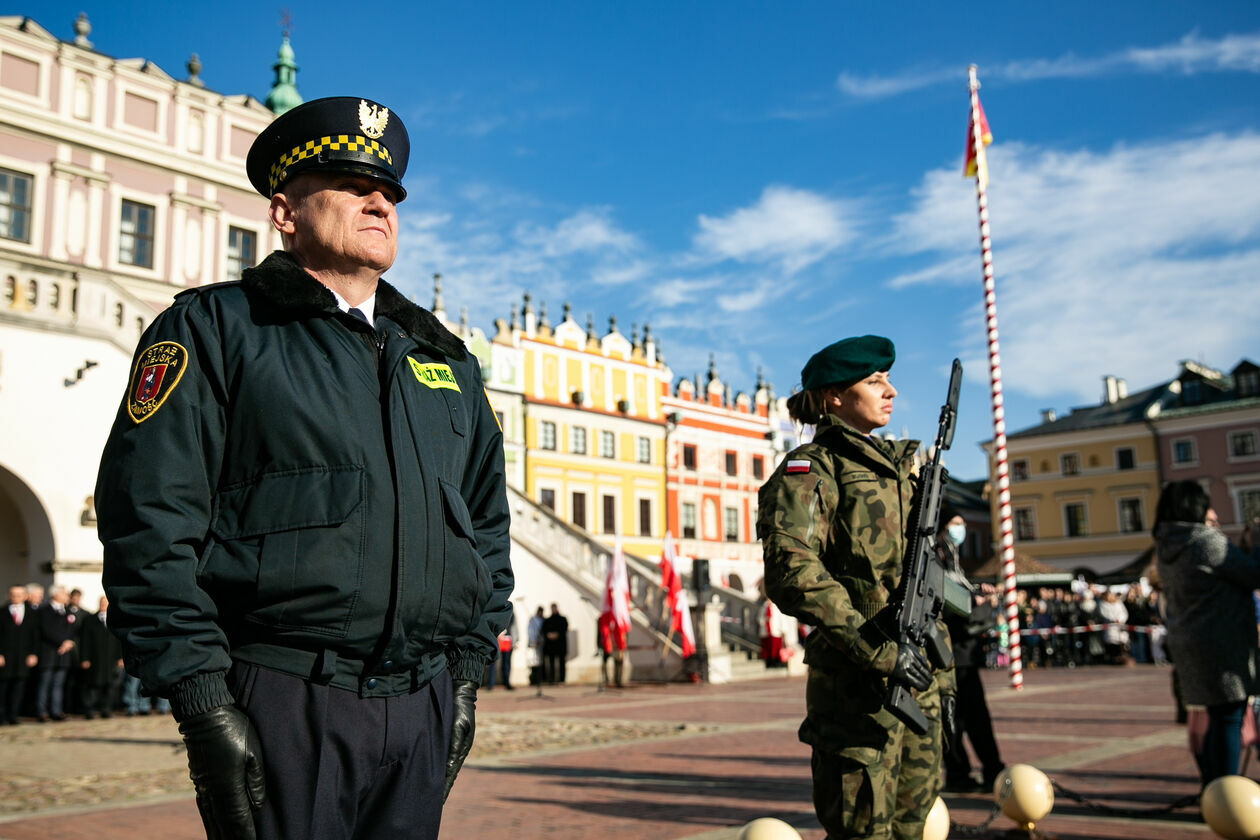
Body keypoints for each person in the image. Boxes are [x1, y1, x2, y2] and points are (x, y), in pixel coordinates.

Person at [95, 96, 513, 840]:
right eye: (352, 186)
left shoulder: (443, 359)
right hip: (285, 698)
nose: (379, 200)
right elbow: (149, 521)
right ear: (285, 213)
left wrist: (468, 680)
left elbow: (485, 529)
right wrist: (202, 702)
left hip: (422, 703)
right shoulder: (216, 329)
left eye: (388, 192)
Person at [757, 334, 956, 840]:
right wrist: (875, 649)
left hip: (920, 677)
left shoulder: (902, 470)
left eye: (888, 379)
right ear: (834, 398)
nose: (889, 390)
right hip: (857, 688)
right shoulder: (812, 469)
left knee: (917, 824)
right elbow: (793, 572)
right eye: (873, 381)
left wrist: (943, 677)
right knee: (864, 829)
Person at [1154, 480, 1260, 786]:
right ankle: (1224, 790)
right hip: (1221, 641)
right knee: (1229, 717)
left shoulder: (1168, 545)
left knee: (1217, 716)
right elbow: (1253, 573)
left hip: (1191, 643)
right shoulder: (1204, 541)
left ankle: (1213, 787)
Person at [937, 513, 1005, 793]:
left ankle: (987, 770)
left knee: (971, 717)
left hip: (963, 651)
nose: (960, 529)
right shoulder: (936, 555)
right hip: (952, 652)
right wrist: (977, 604)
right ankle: (961, 773)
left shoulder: (952, 560)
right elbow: (949, 602)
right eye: (955, 523)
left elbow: (959, 592)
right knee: (957, 718)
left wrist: (978, 595)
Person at [35, 585, 79, 722]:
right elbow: (46, 630)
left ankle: (57, 710)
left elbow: (72, 630)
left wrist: (68, 642)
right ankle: (42, 711)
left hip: (63, 655)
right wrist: (62, 642)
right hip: (49, 653)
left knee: (58, 685)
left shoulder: (68, 612)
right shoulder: (44, 611)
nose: (67, 596)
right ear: (55, 595)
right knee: (45, 683)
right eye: (64, 593)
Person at [78, 596, 124, 719]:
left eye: (106, 603)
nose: (104, 605)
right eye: (102, 602)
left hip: (111, 659)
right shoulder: (89, 620)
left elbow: (120, 640)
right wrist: (84, 658)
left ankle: (106, 709)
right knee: (93, 685)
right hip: (95, 659)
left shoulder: (115, 620)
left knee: (110, 685)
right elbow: (84, 641)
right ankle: (89, 709)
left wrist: (120, 657)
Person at [1, 585, 38, 725]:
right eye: (14, 594)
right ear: (9, 596)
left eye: (19, 594)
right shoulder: (2, 612)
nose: (16, 597)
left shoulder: (32, 614)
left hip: (23, 657)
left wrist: (33, 653)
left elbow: (35, 635)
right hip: (5, 657)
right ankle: (2, 715)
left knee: (19, 686)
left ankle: (13, 715)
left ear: (25, 596)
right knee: (4, 687)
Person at [542, 603, 569, 684]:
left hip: (560, 645)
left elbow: (564, 629)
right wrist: (549, 635)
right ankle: (552, 679)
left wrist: (557, 635)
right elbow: (544, 630)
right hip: (551, 646)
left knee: (561, 663)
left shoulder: (563, 619)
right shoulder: (548, 620)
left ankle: (561, 679)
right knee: (551, 663)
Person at [527, 606, 545, 687]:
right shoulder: (533, 620)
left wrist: (541, 641)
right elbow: (530, 631)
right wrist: (533, 641)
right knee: (533, 662)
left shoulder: (543, 620)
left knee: (540, 662)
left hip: (540, 645)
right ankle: (533, 679)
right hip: (533, 644)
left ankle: (540, 679)